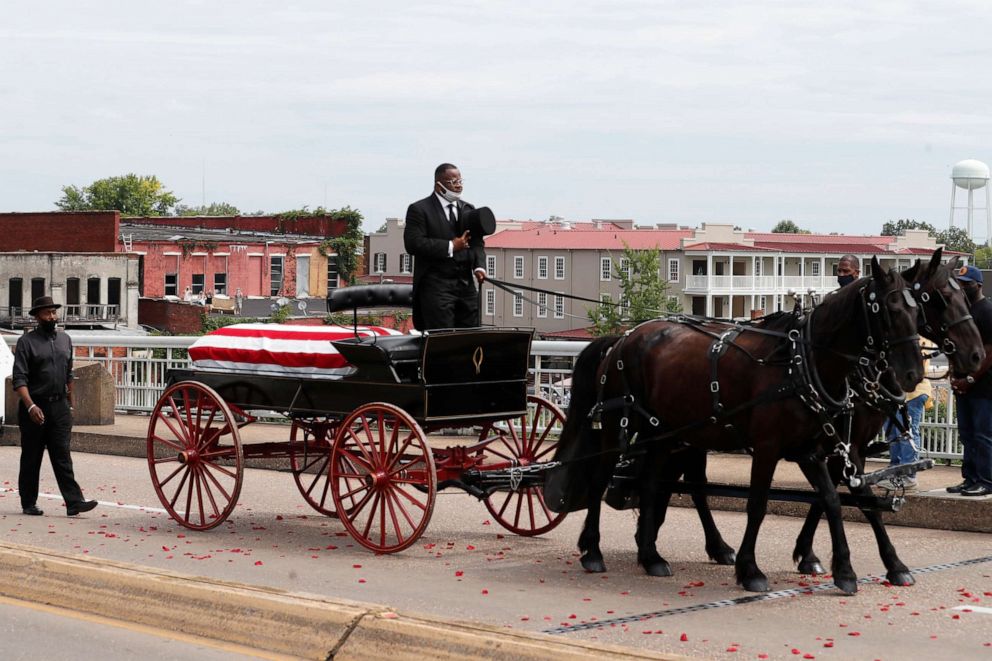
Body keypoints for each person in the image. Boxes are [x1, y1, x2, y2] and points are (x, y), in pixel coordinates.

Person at [11, 296, 98, 516]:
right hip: (35, 407)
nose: (52, 316)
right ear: (38, 317)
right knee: (32, 457)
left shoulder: (65, 340)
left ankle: (74, 502)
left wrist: (71, 402)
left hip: (59, 407)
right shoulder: (26, 342)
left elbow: (69, 373)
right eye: (47, 313)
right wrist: (30, 406)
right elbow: (19, 379)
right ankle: (28, 503)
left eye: (53, 312)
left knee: (62, 455)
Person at [403, 163, 487, 331]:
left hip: (466, 285)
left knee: (470, 334)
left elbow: (477, 243)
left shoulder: (468, 209)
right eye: (452, 181)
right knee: (443, 336)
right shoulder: (419, 209)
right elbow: (413, 243)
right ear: (438, 185)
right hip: (436, 285)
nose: (458, 185)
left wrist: (480, 266)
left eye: (460, 180)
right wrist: (451, 246)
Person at [949, 265, 992, 496]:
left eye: (967, 283)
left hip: (984, 386)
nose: (963, 287)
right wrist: (954, 374)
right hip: (963, 383)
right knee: (966, 434)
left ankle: (986, 480)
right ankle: (970, 478)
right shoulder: (961, 311)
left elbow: (990, 350)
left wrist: (971, 379)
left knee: (983, 435)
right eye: (960, 283)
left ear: (979, 285)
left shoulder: (986, 310)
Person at [877, 338, 934, 491]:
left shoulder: (918, 339)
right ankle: (895, 471)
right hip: (895, 392)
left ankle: (908, 475)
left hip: (913, 392)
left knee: (906, 432)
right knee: (893, 433)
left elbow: (915, 368)